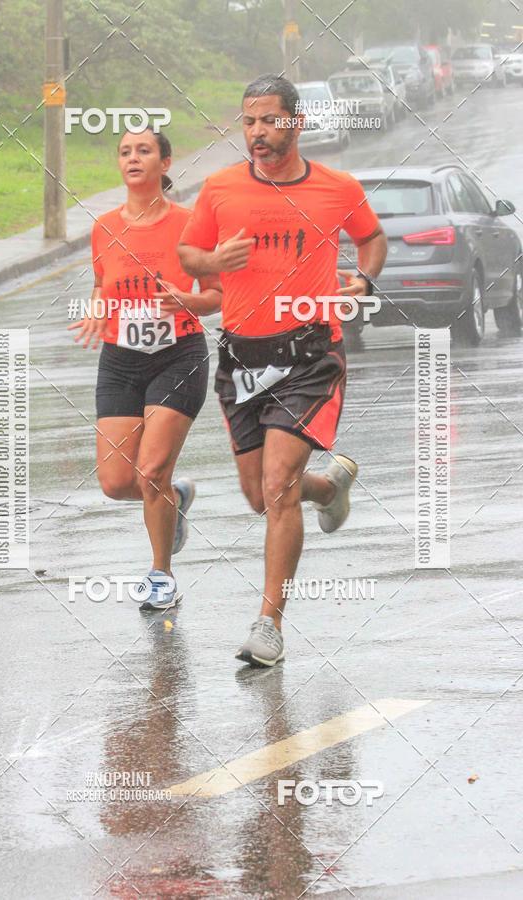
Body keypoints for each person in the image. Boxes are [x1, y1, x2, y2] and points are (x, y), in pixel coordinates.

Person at [178, 74, 387, 666]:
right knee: (260, 495)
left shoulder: (336, 187)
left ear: (296, 121)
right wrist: (212, 260)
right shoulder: (219, 189)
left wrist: (364, 279)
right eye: (248, 122)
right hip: (242, 357)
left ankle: (268, 625)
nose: (257, 133)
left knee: (276, 487)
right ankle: (329, 488)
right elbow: (189, 255)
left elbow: (372, 239)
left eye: (269, 120)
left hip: (311, 355)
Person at [69, 126, 222, 611]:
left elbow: (218, 296)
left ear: (165, 163)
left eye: (144, 151)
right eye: (125, 152)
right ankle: (173, 499)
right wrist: (97, 309)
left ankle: (161, 575)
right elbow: (101, 283)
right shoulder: (104, 227)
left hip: (178, 354)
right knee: (117, 483)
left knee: (151, 469)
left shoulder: (190, 224)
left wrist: (185, 300)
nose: (133, 158)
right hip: (120, 360)